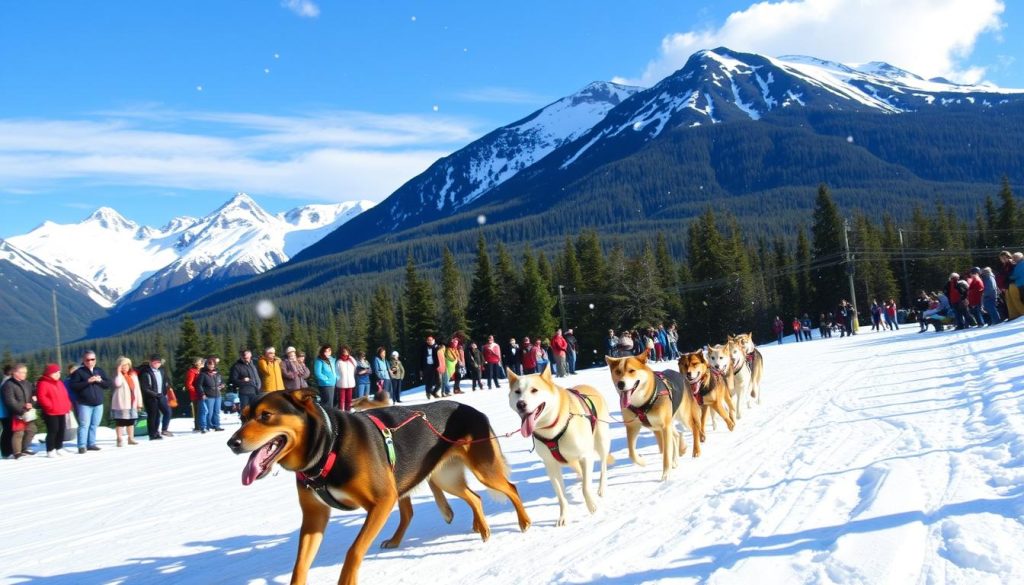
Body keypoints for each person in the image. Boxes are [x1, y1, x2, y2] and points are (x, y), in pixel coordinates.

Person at [68, 350, 110, 454]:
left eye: (92, 359)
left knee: (94, 424)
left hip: (98, 403)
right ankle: (81, 446)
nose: (90, 361)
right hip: (85, 404)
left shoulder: (99, 370)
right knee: (84, 425)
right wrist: (87, 382)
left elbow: (108, 384)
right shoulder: (78, 372)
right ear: (84, 360)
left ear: (95, 360)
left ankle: (91, 443)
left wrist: (100, 381)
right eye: (88, 359)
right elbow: (73, 386)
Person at [1, 364, 37, 458]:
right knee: (18, 432)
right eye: (23, 372)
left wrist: (31, 403)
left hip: (28, 412)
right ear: (16, 373)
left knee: (31, 429)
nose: (25, 374)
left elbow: (33, 394)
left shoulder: (26, 383)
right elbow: (10, 401)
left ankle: (24, 449)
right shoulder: (8, 384)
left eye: (25, 372)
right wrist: (21, 410)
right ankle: (16, 452)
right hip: (16, 413)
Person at [36, 363, 72, 456]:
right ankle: (50, 449)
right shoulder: (43, 383)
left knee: (61, 430)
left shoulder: (59, 383)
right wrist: (50, 406)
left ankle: (59, 447)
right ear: (49, 373)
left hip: (61, 410)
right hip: (51, 412)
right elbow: (41, 397)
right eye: (55, 373)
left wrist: (68, 405)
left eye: (59, 372)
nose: (57, 374)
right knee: (53, 430)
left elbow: (65, 395)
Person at [137, 355, 174, 440]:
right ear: (150, 362)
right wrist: (155, 394)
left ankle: (163, 430)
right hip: (150, 397)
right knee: (154, 415)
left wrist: (167, 389)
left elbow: (165, 381)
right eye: (155, 362)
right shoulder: (145, 372)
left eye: (158, 362)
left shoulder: (161, 370)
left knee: (167, 411)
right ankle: (153, 434)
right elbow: (145, 388)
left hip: (161, 395)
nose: (157, 363)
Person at [110, 356, 142, 448]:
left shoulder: (133, 376)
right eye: (123, 365)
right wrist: (119, 372)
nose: (125, 367)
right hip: (121, 403)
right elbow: (118, 383)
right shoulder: (117, 376)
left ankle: (130, 438)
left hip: (132, 402)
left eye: (126, 365)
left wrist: (139, 403)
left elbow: (137, 390)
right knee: (120, 421)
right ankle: (119, 438)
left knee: (131, 421)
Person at [197, 357, 224, 432]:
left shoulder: (217, 373)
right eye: (210, 364)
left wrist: (222, 385)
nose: (212, 365)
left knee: (217, 411)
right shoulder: (203, 374)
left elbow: (222, 381)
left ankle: (217, 425)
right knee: (209, 412)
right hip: (208, 395)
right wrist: (202, 393)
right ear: (206, 365)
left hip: (218, 395)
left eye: (213, 364)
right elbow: (199, 385)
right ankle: (207, 426)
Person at [419, 335, 442, 399]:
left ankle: (434, 392)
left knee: (439, 382)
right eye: (428, 340)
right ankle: (428, 393)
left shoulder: (437, 347)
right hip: (427, 366)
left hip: (435, 366)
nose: (429, 341)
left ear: (433, 340)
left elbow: (441, 355)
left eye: (430, 340)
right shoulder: (423, 348)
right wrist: (421, 369)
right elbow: (420, 358)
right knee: (428, 381)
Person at [334, 346, 356, 411]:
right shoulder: (339, 361)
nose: (345, 352)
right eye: (344, 351)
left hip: (350, 383)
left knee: (349, 399)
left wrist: (351, 377)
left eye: (347, 351)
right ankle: (341, 413)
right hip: (341, 383)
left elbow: (355, 368)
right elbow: (336, 372)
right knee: (341, 400)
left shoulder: (352, 360)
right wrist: (339, 379)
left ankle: (348, 412)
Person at [184, 357, 203, 432]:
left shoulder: (200, 371)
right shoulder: (191, 372)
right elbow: (189, 384)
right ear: (196, 363)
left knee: (202, 410)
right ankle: (197, 426)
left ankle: (203, 425)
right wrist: (196, 392)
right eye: (200, 362)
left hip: (202, 393)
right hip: (196, 395)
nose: (202, 363)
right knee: (197, 410)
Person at [0, 365, 12, 459]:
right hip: (5, 411)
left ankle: (6, 451)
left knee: (6, 430)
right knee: (7, 431)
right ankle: (6, 451)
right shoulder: (7, 382)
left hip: (3, 411)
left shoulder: (4, 381)